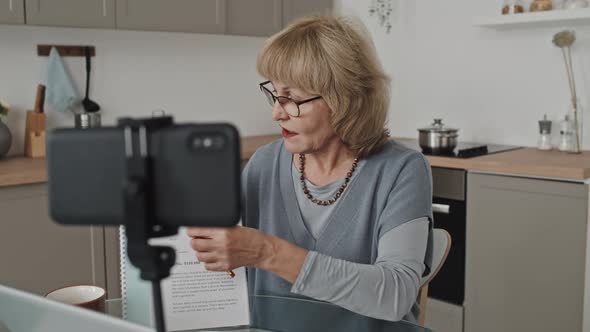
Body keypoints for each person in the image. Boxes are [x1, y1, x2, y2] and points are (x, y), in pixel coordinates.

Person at [187, 15, 433, 323]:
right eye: (274, 94)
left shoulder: (402, 170)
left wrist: (267, 252)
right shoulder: (263, 164)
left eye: (293, 99)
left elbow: (395, 295)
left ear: (344, 100)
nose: (277, 113)